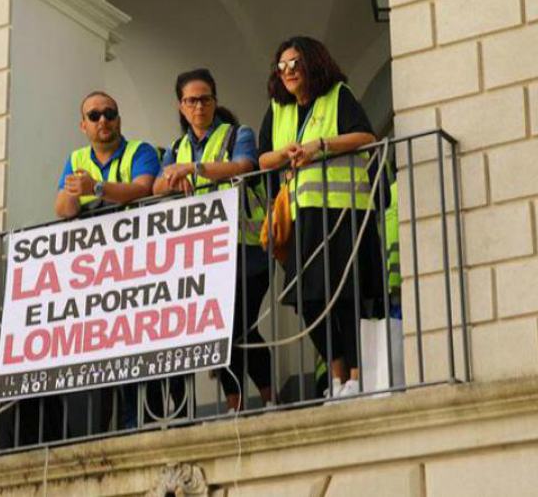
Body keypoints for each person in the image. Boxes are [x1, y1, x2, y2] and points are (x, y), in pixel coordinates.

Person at [258, 36, 383, 399]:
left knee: (347, 294)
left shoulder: (337, 96)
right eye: (281, 66)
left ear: (312, 63)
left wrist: (320, 146)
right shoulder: (278, 108)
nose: (288, 72)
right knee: (307, 298)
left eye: (295, 64)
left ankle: (356, 378)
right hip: (302, 217)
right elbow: (263, 159)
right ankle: (337, 376)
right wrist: (286, 153)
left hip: (343, 211)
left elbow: (365, 135)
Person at [154, 68, 274, 411]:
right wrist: (173, 176)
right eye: (191, 100)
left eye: (205, 99)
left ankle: (268, 400)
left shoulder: (238, 133)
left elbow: (243, 166)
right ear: (181, 106)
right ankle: (235, 405)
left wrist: (193, 169)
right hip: (204, 255)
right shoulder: (177, 147)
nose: (199, 106)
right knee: (219, 330)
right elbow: (157, 187)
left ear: (215, 101)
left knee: (239, 325)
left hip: (246, 248)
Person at [55, 91, 161, 218]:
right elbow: (63, 211)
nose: (103, 120)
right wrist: (72, 192)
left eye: (109, 114)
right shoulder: (76, 158)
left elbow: (144, 190)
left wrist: (95, 188)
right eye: (94, 116)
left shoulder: (141, 150)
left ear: (119, 121)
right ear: (83, 126)